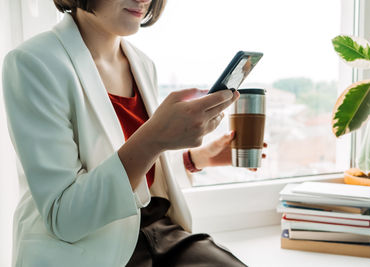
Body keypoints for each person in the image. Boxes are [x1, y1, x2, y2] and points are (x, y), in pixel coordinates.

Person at [2, 0, 265, 266]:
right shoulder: (33, 63)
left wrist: (197, 159)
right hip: (87, 245)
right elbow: (64, 217)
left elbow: (130, 167)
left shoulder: (142, 63)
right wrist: (155, 137)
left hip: (157, 228)